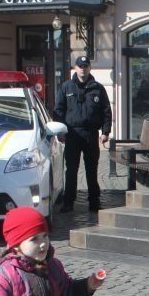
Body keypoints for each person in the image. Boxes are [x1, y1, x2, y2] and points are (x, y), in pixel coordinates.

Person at [53, 55, 111, 213]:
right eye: (80, 66)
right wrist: (60, 131)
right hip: (72, 134)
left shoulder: (98, 88)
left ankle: (94, 202)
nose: (83, 69)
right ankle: (68, 203)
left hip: (91, 134)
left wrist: (105, 132)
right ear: (75, 68)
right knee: (71, 170)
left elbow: (106, 111)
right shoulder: (66, 87)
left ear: (89, 68)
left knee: (92, 170)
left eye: (85, 66)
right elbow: (58, 111)